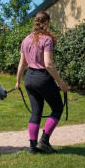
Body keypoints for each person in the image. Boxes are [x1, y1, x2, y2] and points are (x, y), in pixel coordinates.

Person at [15, 11, 67, 154]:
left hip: (29, 79)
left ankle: (32, 148)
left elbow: (21, 64)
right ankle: (43, 141)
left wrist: (18, 81)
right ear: (46, 23)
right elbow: (48, 64)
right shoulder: (47, 40)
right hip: (42, 78)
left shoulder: (26, 40)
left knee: (36, 113)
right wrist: (61, 83)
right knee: (57, 108)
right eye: (49, 23)